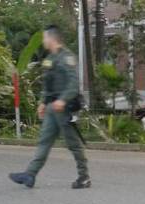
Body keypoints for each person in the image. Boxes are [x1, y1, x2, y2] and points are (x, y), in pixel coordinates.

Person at [9, 25, 90, 189]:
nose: (44, 41)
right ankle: (30, 175)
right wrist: (42, 102)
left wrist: (63, 100)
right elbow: (47, 85)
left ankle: (84, 177)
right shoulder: (49, 59)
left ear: (52, 39)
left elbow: (74, 84)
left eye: (45, 38)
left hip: (64, 108)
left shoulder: (67, 57)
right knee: (44, 142)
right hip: (52, 108)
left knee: (73, 144)